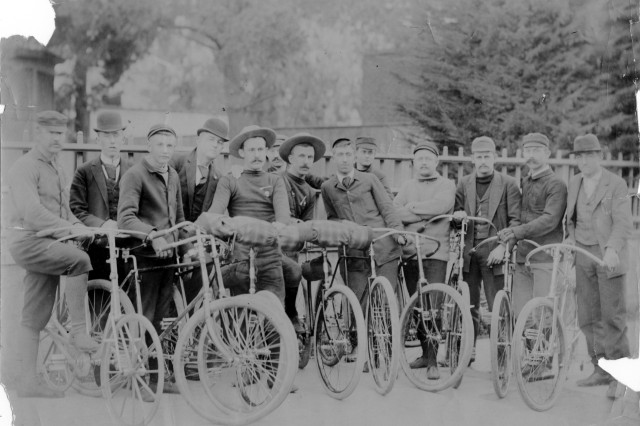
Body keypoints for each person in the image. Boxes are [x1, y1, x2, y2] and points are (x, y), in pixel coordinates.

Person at [6, 111, 98, 398]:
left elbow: (65, 210)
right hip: (27, 239)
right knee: (79, 260)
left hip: (45, 240)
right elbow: (33, 213)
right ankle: (79, 332)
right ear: (38, 134)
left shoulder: (57, 169)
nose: (58, 138)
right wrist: (69, 230)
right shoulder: (24, 167)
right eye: (52, 133)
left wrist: (81, 226)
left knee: (34, 317)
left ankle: (27, 383)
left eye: (61, 133)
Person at [118, 123, 187, 396]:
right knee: (142, 318)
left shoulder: (172, 175)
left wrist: (188, 234)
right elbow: (125, 218)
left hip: (168, 257)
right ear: (149, 146)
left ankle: (157, 378)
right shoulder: (135, 175)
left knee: (159, 318)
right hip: (143, 256)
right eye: (160, 145)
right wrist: (153, 235)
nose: (165, 151)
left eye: (170, 146)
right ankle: (140, 379)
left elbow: (178, 218)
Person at [565, 134, 632, 399]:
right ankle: (600, 368)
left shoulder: (615, 184)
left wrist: (613, 249)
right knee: (588, 317)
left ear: (600, 156)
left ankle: (621, 376)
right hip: (582, 254)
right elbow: (570, 218)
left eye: (589, 155)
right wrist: (571, 244)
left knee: (612, 317)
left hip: (608, 257)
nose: (584, 161)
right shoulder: (574, 182)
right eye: (580, 156)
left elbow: (623, 222)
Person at [208, 125, 295, 304]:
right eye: (251, 150)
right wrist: (222, 225)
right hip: (241, 257)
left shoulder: (275, 181)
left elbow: (283, 217)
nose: (256, 155)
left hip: (270, 256)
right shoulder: (230, 180)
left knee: (274, 315)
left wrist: (280, 226)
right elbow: (214, 215)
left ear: (267, 152)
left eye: (260, 149)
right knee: (240, 315)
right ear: (242, 153)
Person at [454, 136, 521, 364]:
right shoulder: (464, 183)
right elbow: (455, 218)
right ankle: (468, 352)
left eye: (487, 156)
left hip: (495, 252)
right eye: (479, 157)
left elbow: (515, 222)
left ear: (495, 158)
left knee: (497, 305)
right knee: (468, 304)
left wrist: (504, 246)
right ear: (472, 159)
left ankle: (502, 355)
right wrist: (458, 217)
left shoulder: (509, 183)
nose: (483, 161)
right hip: (470, 253)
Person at [321, 138, 405, 313]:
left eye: (348, 154)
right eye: (340, 155)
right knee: (360, 305)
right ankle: (361, 338)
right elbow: (332, 218)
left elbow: (387, 208)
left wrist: (398, 234)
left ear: (354, 157)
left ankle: (388, 338)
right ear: (334, 158)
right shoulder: (327, 187)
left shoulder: (370, 179)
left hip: (383, 247)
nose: (344, 159)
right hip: (354, 252)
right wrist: (346, 229)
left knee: (385, 300)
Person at [394, 142, 455, 378]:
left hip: (436, 253)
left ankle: (433, 361)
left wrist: (413, 211)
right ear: (413, 163)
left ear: (436, 162)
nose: (424, 163)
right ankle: (423, 354)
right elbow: (395, 211)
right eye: (419, 159)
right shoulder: (408, 186)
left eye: (428, 159)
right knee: (417, 305)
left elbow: (442, 206)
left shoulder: (446, 185)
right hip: (411, 252)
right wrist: (425, 215)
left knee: (433, 307)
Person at [497, 133, 567, 320]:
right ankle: (525, 350)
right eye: (527, 150)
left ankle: (544, 349)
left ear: (547, 154)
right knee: (521, 314)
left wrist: (516, 232)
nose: (531, 155)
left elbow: (549, 220)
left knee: (542, 314)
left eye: (536, 150)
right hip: (523, 258)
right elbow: (521, 216)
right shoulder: (526, 181)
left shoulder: (556, 184)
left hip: (544, 256)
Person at [70, 110, 131, 280]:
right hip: (97, 246)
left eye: (116, 135)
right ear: (98, 139)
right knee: (98, 299)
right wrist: (102, 225)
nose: (112, 141)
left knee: (129, 299)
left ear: (123, 138)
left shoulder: (134, 171)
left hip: (127, 246)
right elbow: (76, 209)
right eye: (106, 135)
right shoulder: (84, 172)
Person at [277, 132, 326, 333]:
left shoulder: (308, 191)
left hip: (294, 247)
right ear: (290, 158)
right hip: (274, 245)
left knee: (320, 268)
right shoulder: (278, 180)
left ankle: (308, 323)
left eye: (309, 157)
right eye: (301, 156)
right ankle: (289, 313)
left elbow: (305, 225)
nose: (306, 162)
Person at [170, 117, 228, 223]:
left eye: (220, 142)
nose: (215, 145)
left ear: (222, 148)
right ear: (198, 140)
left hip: (198, 234)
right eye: (211, 139)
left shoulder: (219, 177)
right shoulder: (176, 162)